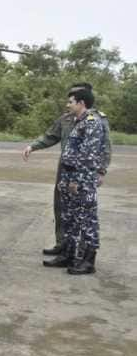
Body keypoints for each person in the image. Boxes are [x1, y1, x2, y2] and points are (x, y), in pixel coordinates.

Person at [22, 83, 111, 255]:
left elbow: (104, 147)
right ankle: (64, 245)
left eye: (73, 98)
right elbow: (50, 136)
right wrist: (32, 146)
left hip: (84, 173)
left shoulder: (95, 120)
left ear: (82, 100)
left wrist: (101, 170)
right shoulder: (68, 118)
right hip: (65, 170)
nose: (69, 102)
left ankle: (82, 252)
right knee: (63, 208)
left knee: (84, 213)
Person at [42, 86, 106, 274]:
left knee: (87, 220)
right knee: (69, 218)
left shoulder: (92, 123)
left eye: (71, 102)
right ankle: (69, 254)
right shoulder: (78, 121)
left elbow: (88, 155)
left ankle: (88, 261)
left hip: (81, 181)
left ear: (81, 103)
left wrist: (76, 180)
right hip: (69, 177)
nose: (67, 105)